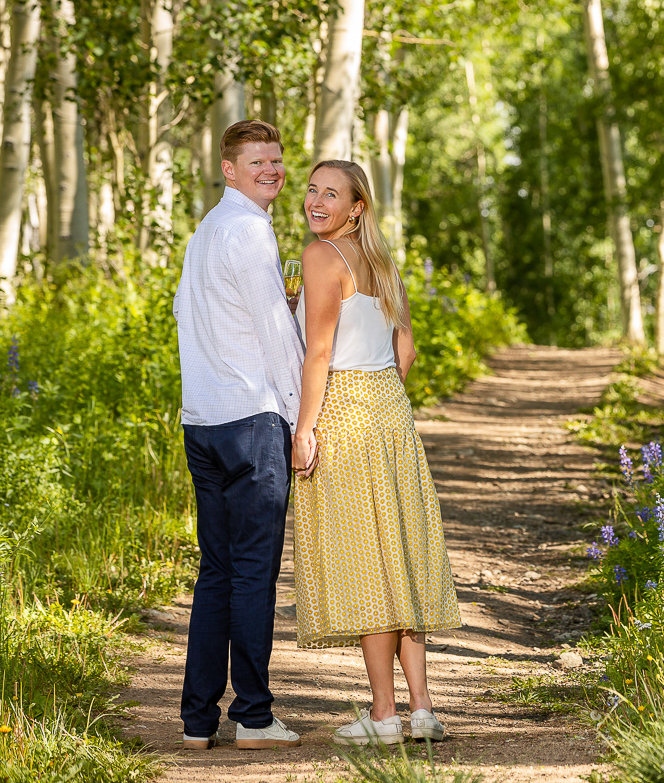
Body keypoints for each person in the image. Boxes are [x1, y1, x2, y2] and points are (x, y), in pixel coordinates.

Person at [292, 160, 462, 746]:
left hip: (344, 410)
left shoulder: (320, 259)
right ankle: (422, 709)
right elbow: (406, 348)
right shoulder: (383, 262)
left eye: (330, 194)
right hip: (392, 412)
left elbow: (318, 354)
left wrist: (305, 428)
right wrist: (381, 393)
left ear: (356, 207)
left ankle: (384, 715)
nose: (315, 201)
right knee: (403, 557)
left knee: (368, 566)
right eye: (312, 190)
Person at [172, 120, 303, 750]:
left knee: (217, 573)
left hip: (203, 422)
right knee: (253, 573)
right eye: (259, 161)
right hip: (251, 422)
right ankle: (252, 716)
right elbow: (278, 339)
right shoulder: (250, 232)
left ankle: (198, 720)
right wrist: (306, 418)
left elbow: (187, 314)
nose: (273, 170)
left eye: (278, 160)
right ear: (230, 168)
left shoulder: (206, 231)